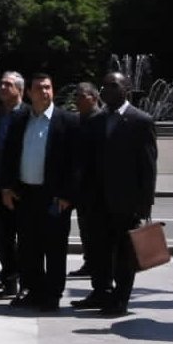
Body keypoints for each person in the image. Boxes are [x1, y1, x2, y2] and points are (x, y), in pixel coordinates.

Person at [72, 71, 157, 317]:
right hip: (96, 201)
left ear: (126, 90)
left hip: (125, 202)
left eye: (112, 86)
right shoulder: (97, 120)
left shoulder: (140, 120)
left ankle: (120, 299)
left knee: (123, 253)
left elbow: (148, 166)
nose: (105, 90)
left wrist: (144, 204)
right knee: (98, 250)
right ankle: (100, 291)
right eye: (104, 86)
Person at [1, 73, 80, 312]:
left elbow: (76, 163)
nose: (44, 92)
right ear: (29, 93)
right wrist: (6, 187)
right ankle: (32, 290)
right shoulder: (20, 120)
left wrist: (67, 195)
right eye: (39, 88)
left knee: (54, 247)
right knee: (28, 246)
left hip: (54, 196)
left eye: (48, 87)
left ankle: (52, 294)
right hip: (25, 194)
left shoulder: (67, 121)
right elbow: (9, 156)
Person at [0, 72, 28, 298]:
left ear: (19, 89)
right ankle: (8, 280)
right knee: (4, 238)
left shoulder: (29, 115)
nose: (2, 87)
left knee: (27, 238)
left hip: (24, 188)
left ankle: (27, 283)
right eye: (0, 83)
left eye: (8, 84)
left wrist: (15, 186)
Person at [68, 81, 103, 279]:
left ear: (94, 98)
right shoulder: (76, 120)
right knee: (85, 226)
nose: (78, 100)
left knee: (98, 228)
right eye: (76, 96)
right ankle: (90, 261)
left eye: (82, 96)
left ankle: (100, 264)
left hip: (97, 184)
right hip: (80, 184)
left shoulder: (102, 119)